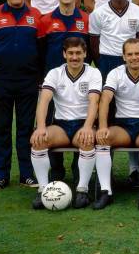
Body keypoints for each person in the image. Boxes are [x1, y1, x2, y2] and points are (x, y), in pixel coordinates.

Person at [0, 0, 42, 190]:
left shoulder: (36, 16)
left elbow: (40, 49)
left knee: (25, 129)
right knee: (1, 128)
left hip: (28, 82)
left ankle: (26, 174)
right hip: (1, 82)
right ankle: (1, 175)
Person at [94, 39, 139, 210]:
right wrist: (103, 126)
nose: (134, 57)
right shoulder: (115, 73)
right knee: (103, 139)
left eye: (137, 53)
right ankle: (106, 191)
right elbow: (105, 99)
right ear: (123, 56)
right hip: (123, 126)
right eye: (130, 54)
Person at [29, 37, 101, 209]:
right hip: (61, 125)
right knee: (38, 140)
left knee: (87, 140)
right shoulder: (55, 73)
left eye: (78, 53)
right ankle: (44, 190)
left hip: (83, 123)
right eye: (70, 53)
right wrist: (40, 128)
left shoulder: (93, 73)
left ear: (85, 54)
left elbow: (94, 102)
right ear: (64, 54)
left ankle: (82, 190)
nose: (74, 57)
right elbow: (44, 101)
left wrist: (88, 127)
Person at [89, 0, 139, 184]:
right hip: (107, 62)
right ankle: (105, 167)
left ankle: (134, 167)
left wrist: (133, 59)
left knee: (133, 111)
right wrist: (102, 64)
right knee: (107, 115)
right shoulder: (99, 12)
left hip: (132, 62)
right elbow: (93, 42)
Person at [38, 0, 90, 181]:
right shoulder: (45, 20)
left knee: (79, 121)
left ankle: (78, 168)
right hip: (53, 82)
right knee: (50, 123)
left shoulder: (86, 19)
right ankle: (56, 169)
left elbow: (90, 50)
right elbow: (39, 51)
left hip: (79, 81)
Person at [89, 0, 139, 80]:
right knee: (108, 96)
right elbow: (93, 43)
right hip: (107, 60)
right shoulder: (98, 13)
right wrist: (100, 63)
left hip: (130, 59)